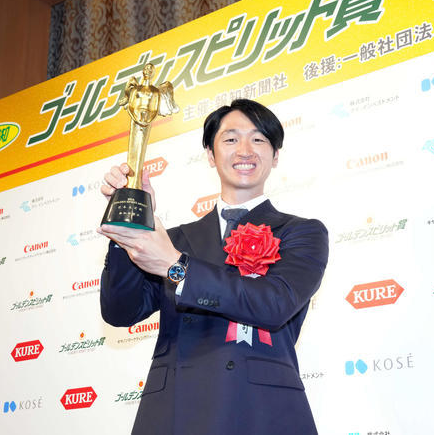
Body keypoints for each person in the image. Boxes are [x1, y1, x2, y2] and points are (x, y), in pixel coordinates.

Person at [98, 99, 329, 435]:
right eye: (231, 139)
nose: (245, 150)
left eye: (258, 139)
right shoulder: (173, 240)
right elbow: (120, 312)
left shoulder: (302, 232)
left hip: (259, 412)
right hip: (175, 410)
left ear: (276, 155)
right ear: (210, 154)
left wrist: (176, 267)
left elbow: (275, 304)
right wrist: (129, 228)